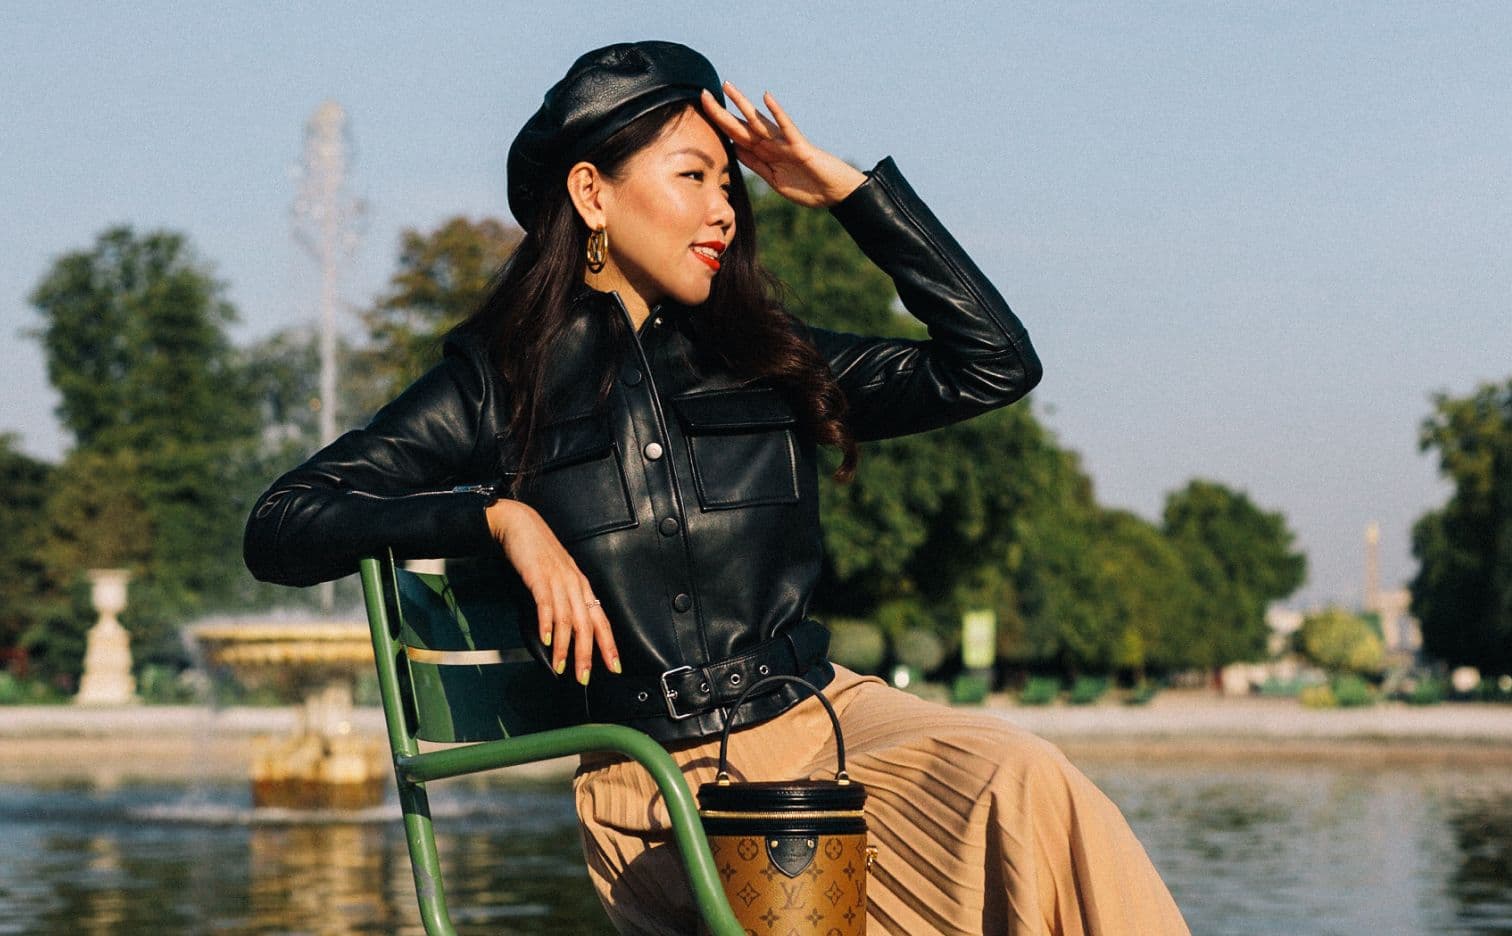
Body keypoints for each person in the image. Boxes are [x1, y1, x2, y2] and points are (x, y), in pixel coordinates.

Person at [244, 40, 1189, 935]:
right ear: (593, 194)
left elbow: (992, 365)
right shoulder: (496, 382)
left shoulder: (764, 358)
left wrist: (854, 195)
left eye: (727, 183)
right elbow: (282, 524)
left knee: (1024, 778)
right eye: (692, 176)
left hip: (833, 721)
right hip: (663, 779)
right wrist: (498, 516)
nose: (725, 209)